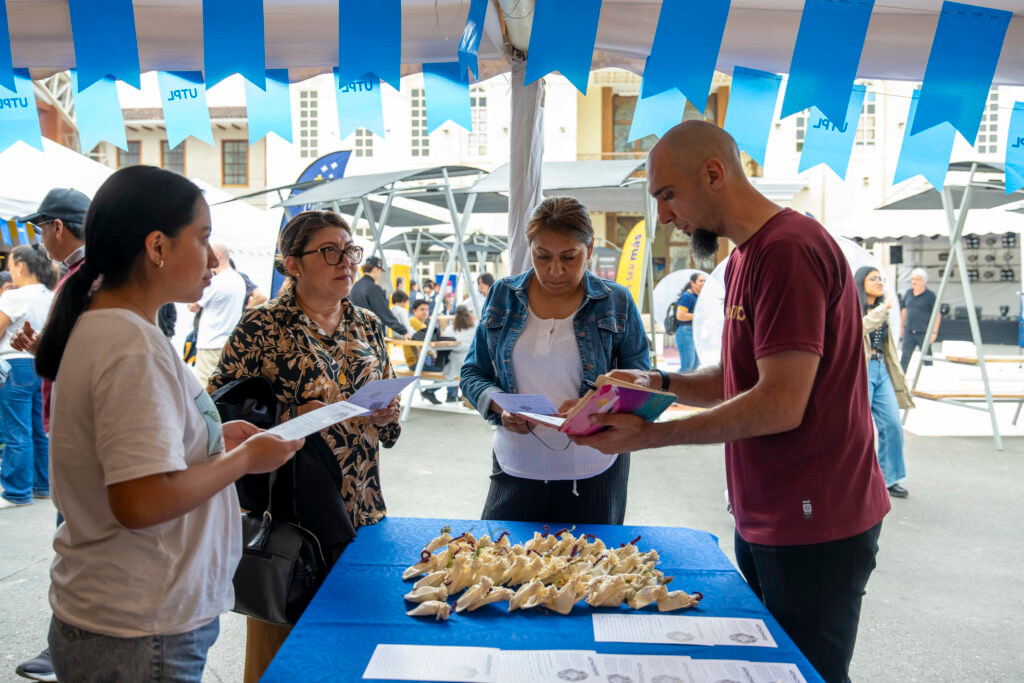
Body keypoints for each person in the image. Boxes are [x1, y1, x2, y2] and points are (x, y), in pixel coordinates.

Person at [570, 122, 889, 683]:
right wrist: (658, 382)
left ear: (714, 173)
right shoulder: (745, 258)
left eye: (667, 194)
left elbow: (780, 403)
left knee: (807, 673)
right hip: (766, 516)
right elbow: (739, 378)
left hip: (815, 521)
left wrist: (650, 434)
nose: (664, 216)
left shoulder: (789, 249)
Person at [34, 165, 302, 681]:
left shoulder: (119, 329)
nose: (211, 256)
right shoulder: (129, 345)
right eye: (201, 238)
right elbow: (140, 500)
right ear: (157, 247)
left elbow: (139, 452)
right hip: (139, 627)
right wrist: (243, 459)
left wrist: (213, 440)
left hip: (136, 618)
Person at [208, 210, 402, 682]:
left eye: (350, 250)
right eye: (329, 251)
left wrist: (386, 414)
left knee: (354, 636)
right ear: (292, 263)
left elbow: (390, 416)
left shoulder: (369, 326)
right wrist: (285, 420)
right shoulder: (262, 326)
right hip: (291, 508)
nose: (346, 261)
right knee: (281, 642)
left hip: (361, 506)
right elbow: (220, 410)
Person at [460, 196, 650, 525]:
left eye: (569, 257)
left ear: (589, 248)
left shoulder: (616, 302)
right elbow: (472, 373)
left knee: (591, 572)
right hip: (515, 466)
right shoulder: (503, 295)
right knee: (502, 569)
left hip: (596, 468)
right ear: (529, 248)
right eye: (542, 256)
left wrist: (595, 405)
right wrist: (498, 406)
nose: (555, 270)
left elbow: (643, 382)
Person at [9, 188, 89, 681]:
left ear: (58, 227)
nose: (41, 240)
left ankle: (67, 646)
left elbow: (83, 354)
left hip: (76, 428)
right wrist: (44, 347)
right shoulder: (87, 274)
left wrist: (45, 351)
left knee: (74, 541)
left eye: (42, 229)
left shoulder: (84, 276)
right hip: (76, 424)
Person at [0, 245, 57, 508]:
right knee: (38, 429)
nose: (9, 271)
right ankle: (42, 485)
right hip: (41, 364)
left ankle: (16, 491)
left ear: (21, 265)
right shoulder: (50, 294)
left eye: (10, 265)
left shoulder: (14, 297)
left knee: (16, 431)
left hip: (14, 365)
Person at [856, 267, 913, 499]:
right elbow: (859, 328)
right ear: (862, 283)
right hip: (862, 370)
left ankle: (890, 478)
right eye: (873, 278)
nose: (879, 282)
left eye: (881, 278)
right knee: (860, 428)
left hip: (881, 369)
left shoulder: (883, 309)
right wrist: (883, 309)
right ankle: (859, 479)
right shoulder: (853, 308)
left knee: (892, 424)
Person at [187, 242, 247, 388]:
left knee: (206, 387)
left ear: (217, 255)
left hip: (210, 343)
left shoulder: (216, 282)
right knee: (223, 388)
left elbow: (193, 306)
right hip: (230, 343)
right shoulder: (239, 280)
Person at [349, 255, 410, 338]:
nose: (380, 273)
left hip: (355, 334)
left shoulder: (354, 286)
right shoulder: (374, 288)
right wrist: (403, 330)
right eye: (380, 270)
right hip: (371, 335)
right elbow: (384, 313)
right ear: (375, 269)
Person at [404, 299, 447, 405]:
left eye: (427, 309)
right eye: (421, 309)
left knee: (447, 367)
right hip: (416, 362)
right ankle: (429, 392)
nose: (425, 312)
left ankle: (430, 392)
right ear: (414, 311)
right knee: (447, 370)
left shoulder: (422, 323)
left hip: (422, 360)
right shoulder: (413, 322)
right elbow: (433, 336)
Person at [900, 267, 940, 372]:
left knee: (927, 357)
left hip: (924, 332)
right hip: (909, 331)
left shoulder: (930, 296)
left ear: (923, 281)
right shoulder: (908, 293)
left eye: (917, 279)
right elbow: (904, 310)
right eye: (912, 279)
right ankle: (900, 382)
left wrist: (934, 332)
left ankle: (928, 378)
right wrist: (901, 327)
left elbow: (937, 315)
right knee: (904, 358)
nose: (913, 282)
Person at [442, 305, 476, 403]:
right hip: (470, 361)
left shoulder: (450, 329)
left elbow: (446, 344)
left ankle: (451, 395)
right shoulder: (475, 328)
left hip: (453, 361)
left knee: (451, 369)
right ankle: (463, 395)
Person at [674, 272, 706, 371]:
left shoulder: (699, 296)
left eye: (705, 281)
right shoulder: (687, 296)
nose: (704, 283)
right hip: (686, 332)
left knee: (695, 365)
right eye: (701, 281)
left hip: (696, 333)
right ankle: (673, 386)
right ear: (692, 283)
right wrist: (699, 316)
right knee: (687, 367)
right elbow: (680, 315)